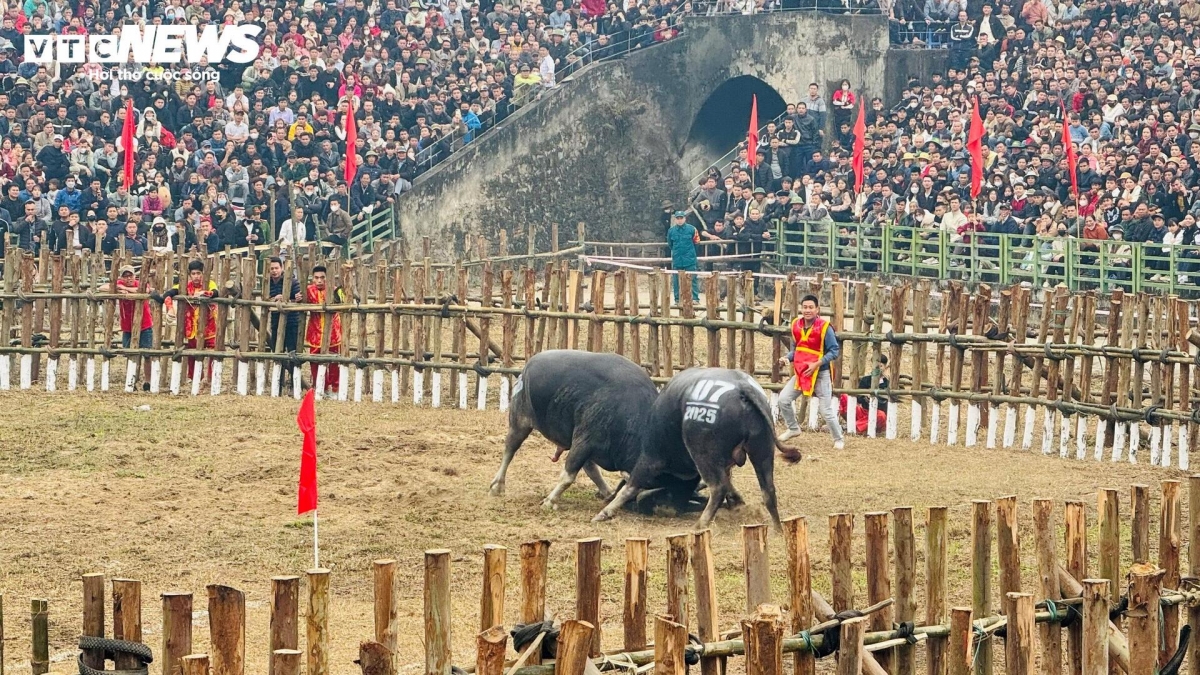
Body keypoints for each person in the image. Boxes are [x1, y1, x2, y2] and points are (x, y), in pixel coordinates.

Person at [776, 294, 844, 448]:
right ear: (801, 308)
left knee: (825, 410)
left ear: (817, 309)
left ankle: (838, 439)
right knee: (783, 400)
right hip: (802, 373)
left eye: (811, 307)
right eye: (805, 307)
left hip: (821, 373)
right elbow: (796, 350)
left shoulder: (825, 327)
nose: (807, 310)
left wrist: (817, 364)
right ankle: (793, 428)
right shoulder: (796, 325)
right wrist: (787, 358)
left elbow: (834, 351)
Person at [156, 260, 218, 384]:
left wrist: (205, 293)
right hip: (192, 327)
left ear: (203, 274)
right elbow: (168, 294)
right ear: (190, 275)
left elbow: (215, 293)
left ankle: (211, 379)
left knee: (213, 353)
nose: (196, 276)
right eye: (193, 273)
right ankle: (194, 378)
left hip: (209, 325)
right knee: (192, 354)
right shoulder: (185, 286)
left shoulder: (210, 284)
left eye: (198, 273)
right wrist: (170, 309)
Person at [98, 265, 153, 390]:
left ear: (135, 276)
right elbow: (102, 287)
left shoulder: (140, 283)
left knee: (148, 354)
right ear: (121, 278)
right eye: (125, 276)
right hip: (127, 326)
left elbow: (146, 290)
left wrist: (127, 290)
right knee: (129, 354)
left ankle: (148, 382)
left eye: (130, 276)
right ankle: (131, 380)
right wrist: (120, 288)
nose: (128, 278)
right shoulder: (119, 284)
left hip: (144, 324)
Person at [304, 265, 347, 395]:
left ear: (327, 278)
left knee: (334, 361)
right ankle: (321, 387)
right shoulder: (308, 291)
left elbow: (345, 302)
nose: (319, 281)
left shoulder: (335, 291)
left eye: (322, 277)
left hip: (333, 332)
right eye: (316, 278)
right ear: (312, 279)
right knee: (315, 362)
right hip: (315, 332)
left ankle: (335, 389)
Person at [266, 257, 304, 390]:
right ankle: (278, 383)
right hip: (276, 322)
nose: (274, 271)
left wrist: (292, 299)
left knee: (293, 353)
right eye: (271, 269)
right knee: (278, 352)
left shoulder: (293, 282)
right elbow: (265, 298)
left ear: (282, 268)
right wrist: (273, 299)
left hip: (292, 322)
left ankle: (295, 384)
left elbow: (298, 299)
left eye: (276, 268)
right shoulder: (267, 282)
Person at [666, 210, 700, 304]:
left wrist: (690, 254)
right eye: (678, 218)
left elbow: (697, 242)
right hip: (677, 259)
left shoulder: (692, 229)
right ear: (675, 219)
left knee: (693, 279)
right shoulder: (671, 231)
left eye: (681, 218)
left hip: (690, 259)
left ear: (685, 218)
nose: (680, 220)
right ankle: (677, 299)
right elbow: (670, 244)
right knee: (676, 281)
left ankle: (695, 298)